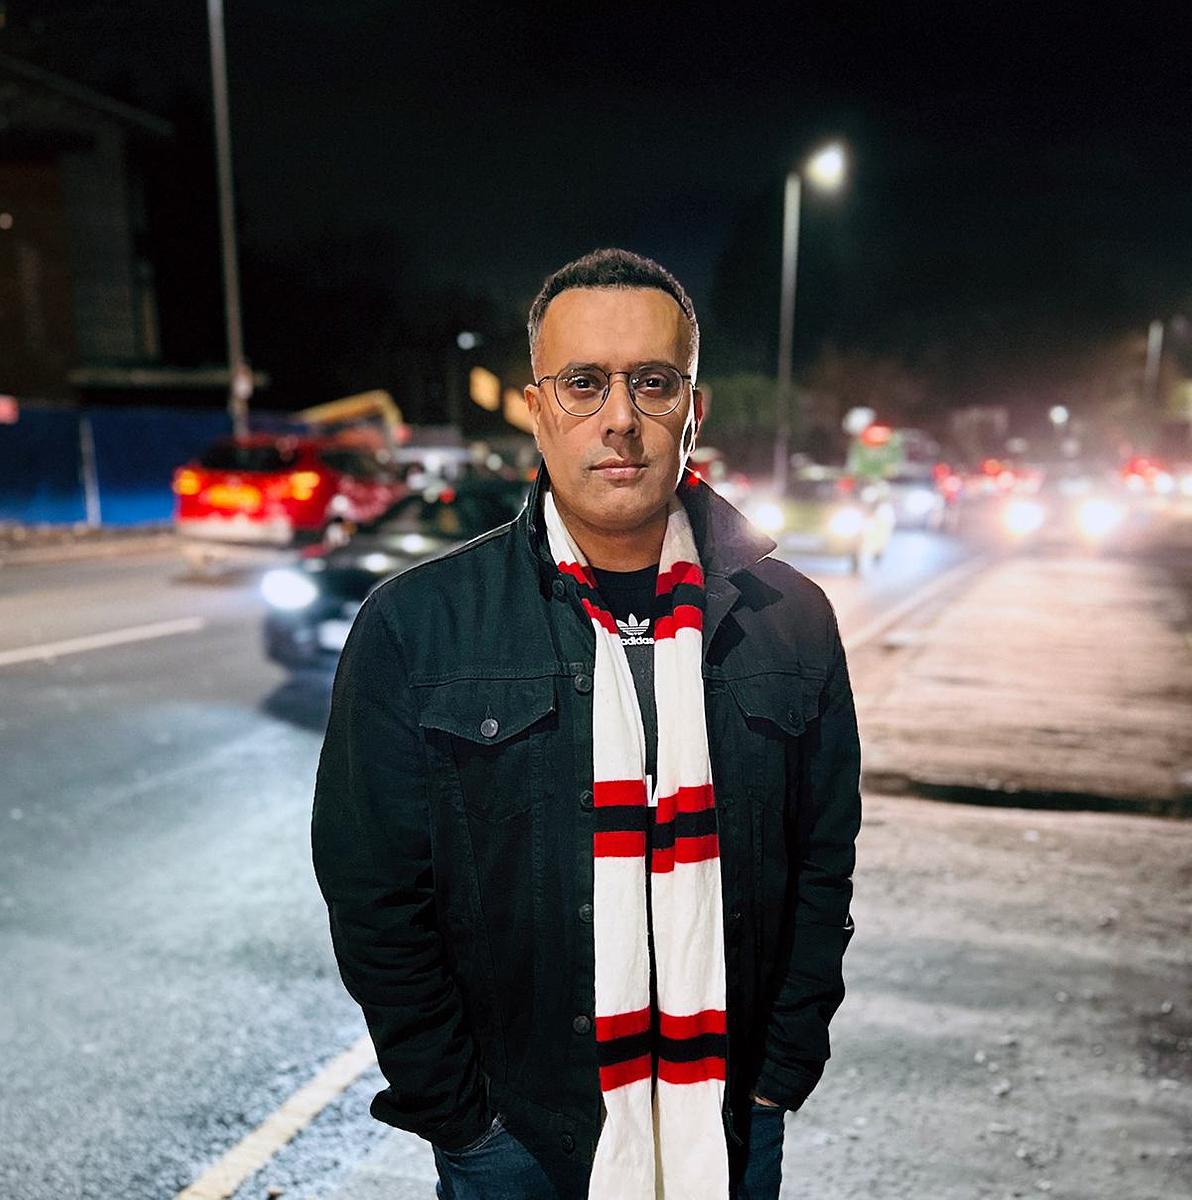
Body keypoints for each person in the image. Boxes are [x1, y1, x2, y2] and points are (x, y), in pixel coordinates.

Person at [311, 248, 862, 1200]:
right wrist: (460, 1115)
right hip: (517, 1135)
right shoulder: (419, 625)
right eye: (583, 383)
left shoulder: (793, 619)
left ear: (694, 410)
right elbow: (373, 892)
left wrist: (779, 1077)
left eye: (652, 383)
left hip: (728, 1124)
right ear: (536, 409)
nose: (619, 418)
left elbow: (823, 860)